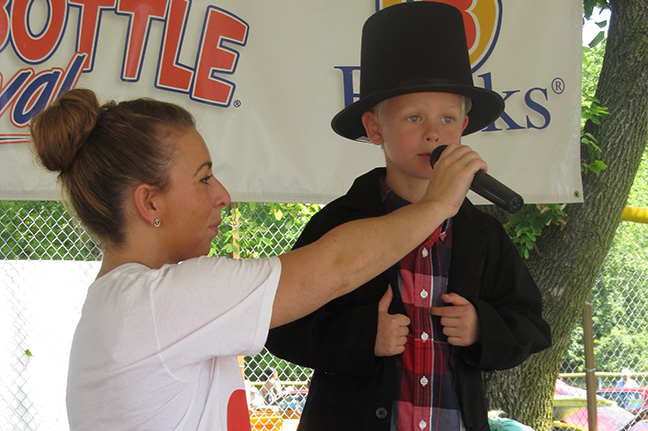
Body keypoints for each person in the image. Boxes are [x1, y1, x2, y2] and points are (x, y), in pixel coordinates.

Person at [29, 87, 485, 431]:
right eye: (204, 179)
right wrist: (437, 205)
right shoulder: (154, 303)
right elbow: (334, 268)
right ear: (150, 203)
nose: (222, 196)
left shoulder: (130, 303)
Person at [265, 3, 552, 431]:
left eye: (447, 118)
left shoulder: (483, 233)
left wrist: (481, 328)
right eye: (413, 117)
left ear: (464, 127)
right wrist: (362, 337)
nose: (433, 132)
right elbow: (281, 326)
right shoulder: (340, 222)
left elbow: (531, 326)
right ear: (375, 128)